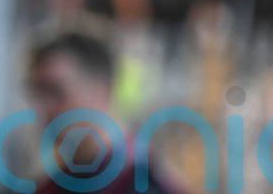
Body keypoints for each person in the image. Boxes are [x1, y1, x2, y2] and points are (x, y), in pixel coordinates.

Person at [28, 25, 186, 194]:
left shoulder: (146, 184)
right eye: (39, 94)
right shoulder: (52, 186)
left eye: (56, 91)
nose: (45, 108)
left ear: (102, 90)